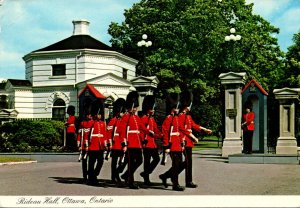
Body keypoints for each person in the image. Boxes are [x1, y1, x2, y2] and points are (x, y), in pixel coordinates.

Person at [117, 91, 153, 189]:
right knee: (132, 162)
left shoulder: (136, 117)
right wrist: (124, 143)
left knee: (139, 161)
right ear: (131, 106)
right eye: (135, 107)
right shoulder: (126, 117)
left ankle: (126, 175)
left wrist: (149, 132)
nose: (136, 109)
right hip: (130, 143)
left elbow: (142, 128)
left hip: (137, 143)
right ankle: (130, 182)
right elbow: (122, 131)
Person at [178, 90, 212, 188]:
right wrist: (193, 137)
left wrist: (205, 129)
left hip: (188, 141)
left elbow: (194, 125)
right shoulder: (180, 116)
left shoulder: (188, 116)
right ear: (186, 105)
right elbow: (182, 129)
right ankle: (173, 176)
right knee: (187, 162)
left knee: (189, 162)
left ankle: (187, 180)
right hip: (183, 140)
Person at [159, 93, 190, 191]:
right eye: (176, 108)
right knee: (176, 164)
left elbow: (181, 130)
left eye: (177, 107)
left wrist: (186, 138)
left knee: (182, 163)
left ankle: (165, 176)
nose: (177, 109)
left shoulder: (176, 118)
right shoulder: (168, 119)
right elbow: (165, 133)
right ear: (172, 108)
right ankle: (175, 184)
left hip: (178, 144)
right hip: (171, 144)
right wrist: (166, 146)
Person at [140, 95, 163, 186]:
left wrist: (161, 135)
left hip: (152, 143)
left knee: (156, 159)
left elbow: (155, 129)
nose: (153, 111)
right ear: (148, 109)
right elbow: (141, 130)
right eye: (152, 109)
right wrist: (142, 140)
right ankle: (146, 179)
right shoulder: (143, 118)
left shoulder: (152, 119)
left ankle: (145, 173)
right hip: (146, 143)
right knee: (147, 161)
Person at [106, 98, 127, 185]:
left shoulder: (125, 120)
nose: (122, 113)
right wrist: (109, 143)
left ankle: (117, 173)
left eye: (123, 112)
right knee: (114, 162)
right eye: (121, 112)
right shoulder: (113, 120)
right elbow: (109, 133)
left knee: (123, 161)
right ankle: (113, 177)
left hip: (122, 143)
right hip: (115, 144)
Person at [87, 112, 107, 185]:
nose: (99, 116)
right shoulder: (91, 123)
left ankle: (94, 174)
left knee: (100, 161)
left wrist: (105, 143)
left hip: (100, 145)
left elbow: (104, 134)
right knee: (92, 162)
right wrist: (86, 144)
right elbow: (87, 134)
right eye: (98, 114)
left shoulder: (102, 123)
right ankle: (91, 178)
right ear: (95, 115)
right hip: (93, 144)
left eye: (100, 114)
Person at [77, 112, 94, 184]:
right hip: (83, 145)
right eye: (88, 114)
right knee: (84, 162)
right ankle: (85, 176)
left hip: (91, 144)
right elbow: (80, 134)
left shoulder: (93, 123)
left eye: (90, 114)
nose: (89, 116)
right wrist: (78, 144)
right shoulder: (82, 123)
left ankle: (90, 175)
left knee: (91, 162)